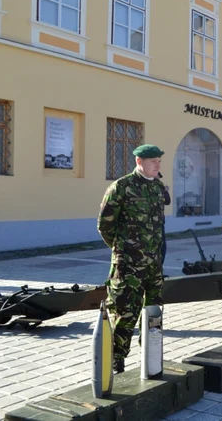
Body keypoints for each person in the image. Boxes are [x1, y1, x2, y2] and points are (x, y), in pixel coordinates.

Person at [97, 144, 167, 374]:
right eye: (153, 161)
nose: (157, 164)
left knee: (154, 313)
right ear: (139, 162)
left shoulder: (157, 187)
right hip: (128, 265)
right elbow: (105, 225)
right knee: (124, 312)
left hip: (154, 265)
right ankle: (116, 360)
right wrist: (122, 250)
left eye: (158, 160)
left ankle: (151, 356)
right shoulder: (121, 187)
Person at [158, 172, 171, 265]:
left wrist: (166, 192)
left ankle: (159, 269)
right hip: (149, 224)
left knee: (162, 247)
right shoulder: (147, 188)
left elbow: (167, 201)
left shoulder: (160, 187)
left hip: (160, 222)